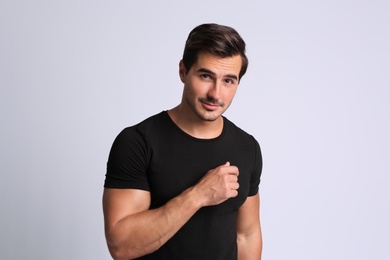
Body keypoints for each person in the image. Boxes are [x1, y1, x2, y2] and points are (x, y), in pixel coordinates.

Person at [103, 23, 263, 260]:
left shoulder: (247, 147)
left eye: (228, 81)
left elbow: (246, 235)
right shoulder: (137, 142)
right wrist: (198, 195)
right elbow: (121, 245)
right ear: (183, 71)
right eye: (206, 76)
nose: (215, 94)